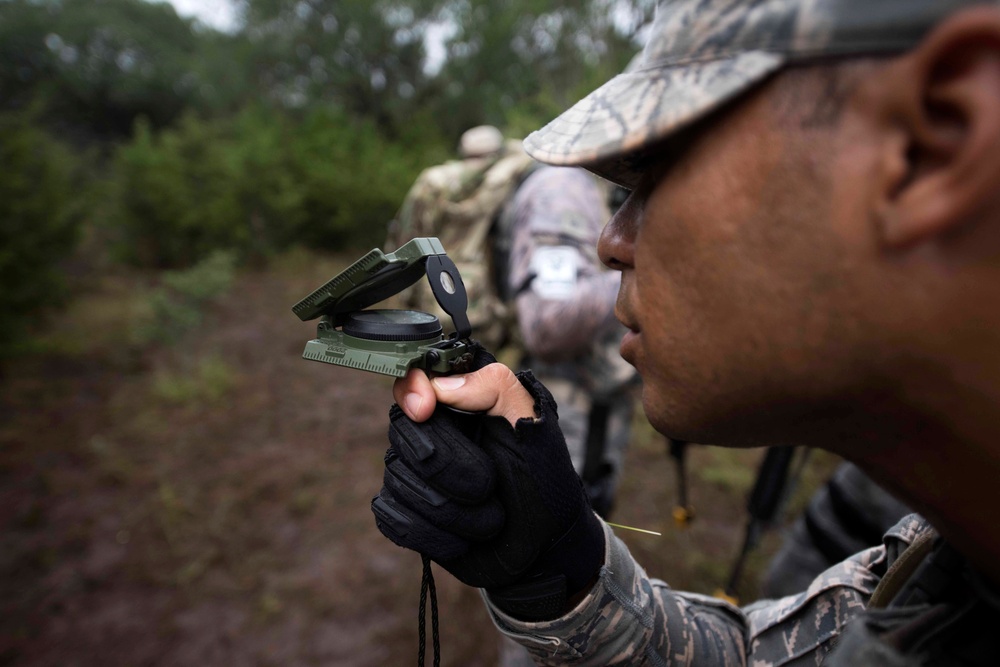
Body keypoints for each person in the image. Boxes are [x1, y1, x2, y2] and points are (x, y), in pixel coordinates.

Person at [371, 0, 1000, 664]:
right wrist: (562, 573)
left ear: (935, 139)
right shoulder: (941, 563)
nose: (611, 241)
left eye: (655, 165)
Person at [388, 127, 638, 519]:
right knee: (561, 535)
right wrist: (651, 273)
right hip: (564, 412)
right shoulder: (562, 190)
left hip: (558, 397)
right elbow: (550, 321)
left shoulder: (564, 184)